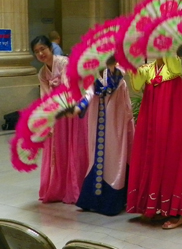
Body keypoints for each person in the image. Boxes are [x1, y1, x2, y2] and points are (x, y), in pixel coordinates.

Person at [126, 56, 182, 229]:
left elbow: (173, 63)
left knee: (171, 161)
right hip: (152, 122)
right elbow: (136, 82)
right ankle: (158, 207)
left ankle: (174, 212)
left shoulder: (174, 64)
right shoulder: (148, 69)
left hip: (173, 121)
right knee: (152, 159)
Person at [30, 35, 89, 203]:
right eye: (37, 52)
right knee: (57, 148)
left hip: (70, 110)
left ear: (50, 48)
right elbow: (45, 95)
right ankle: (59, 187)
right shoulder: (42, 73)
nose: (41, 53)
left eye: (43, 49)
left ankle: (75, 187)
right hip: (57, 113)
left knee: (73, 147)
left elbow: (68, 85)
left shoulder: (64, 62)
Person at [75, 56, 135, 216]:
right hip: (98, 125)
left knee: (115, 159)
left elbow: (113, 86)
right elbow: (89, 93)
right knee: (97, 158)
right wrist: (79, 107)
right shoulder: (93, 75)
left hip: (116, 124)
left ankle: (114, 201)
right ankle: (93, 200)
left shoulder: (119, 74)